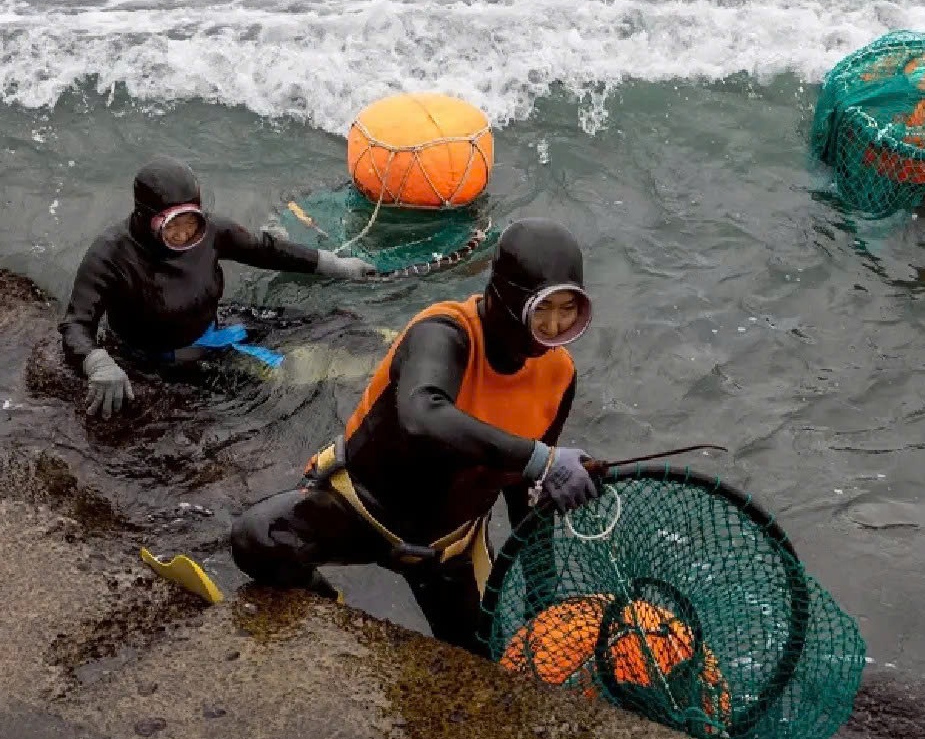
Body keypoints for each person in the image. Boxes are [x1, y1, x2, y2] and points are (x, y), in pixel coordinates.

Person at [230, 218, 597, 654]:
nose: (554, 327)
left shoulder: (559, 375)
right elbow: (422, 415)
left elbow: (525, 486)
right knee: (256, 539)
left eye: (567, 309)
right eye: (542, 308)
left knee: (483, 658)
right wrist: (541, 459)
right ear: (504, 296)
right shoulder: (444, 333)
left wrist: (543, 590)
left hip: (448, 548)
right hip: (362, 510)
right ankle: (328, 610)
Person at [59, 157, 374, 417]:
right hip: (165, 360)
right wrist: (95, 362)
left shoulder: (210, 231)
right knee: (285, 384)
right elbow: (76, 324)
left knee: (339, 324)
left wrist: (329, 263)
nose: (184, 235)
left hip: (220, 324)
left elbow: (265, 250)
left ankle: (384, 345)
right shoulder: (110, 255)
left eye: (191, 221)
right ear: (146, 218)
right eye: (173, 226)